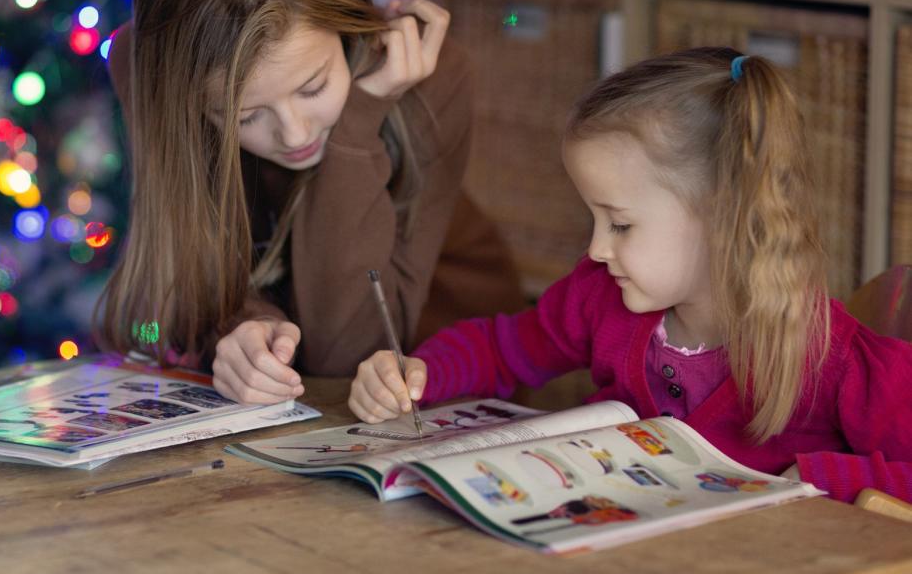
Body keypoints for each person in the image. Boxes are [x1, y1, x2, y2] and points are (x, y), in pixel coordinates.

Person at [349, 48, 912, 503]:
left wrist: (822, 477)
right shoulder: (599, 297)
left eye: (619, 224)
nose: (595, 249)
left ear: (722, 217)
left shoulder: (830, 357)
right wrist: (417, 372)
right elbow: (501, 348)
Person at [98, 0, 524, 402]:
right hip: (281, 387)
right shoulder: (147, 70)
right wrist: (240, 329)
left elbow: (348, 353)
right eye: (246, 117)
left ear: (343, 28)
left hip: (440, 363)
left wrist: (360, 120)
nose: (296, 135)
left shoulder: (427, 77)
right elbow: (148, 323)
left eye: (314, 87)